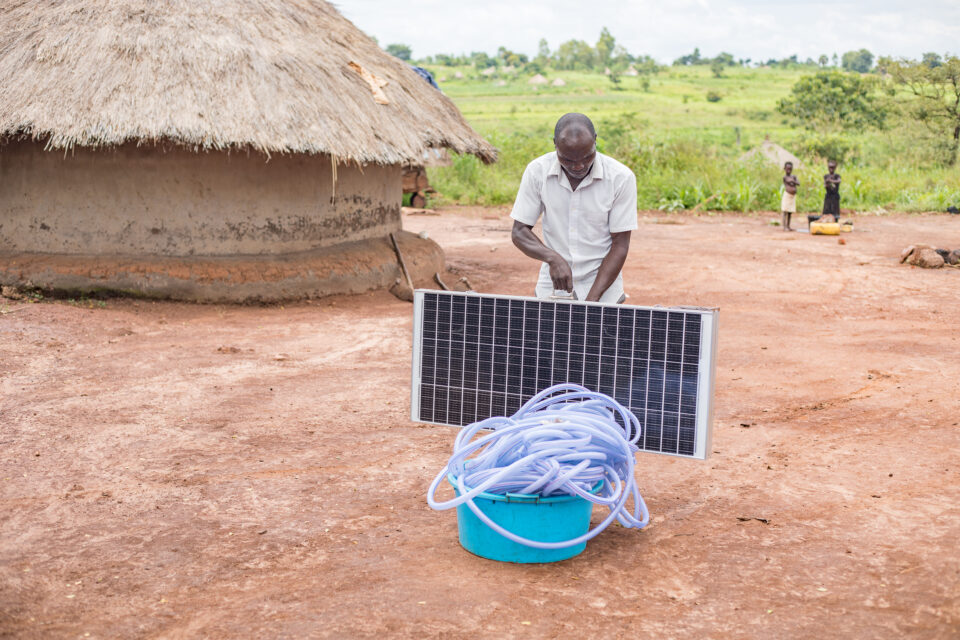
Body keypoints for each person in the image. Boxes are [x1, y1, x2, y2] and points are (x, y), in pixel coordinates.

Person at [510, 113, 637, 303]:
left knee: (600, 333)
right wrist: (553, 258)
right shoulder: (537, 172)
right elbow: (519, 232)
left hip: (603, 283)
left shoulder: (620, 178)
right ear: (555, 145)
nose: (578, 166)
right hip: (554, 283)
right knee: (551, 333)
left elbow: (620, 244)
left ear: (595, 141)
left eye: (587, 157)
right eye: (568, 159)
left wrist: (592, 301)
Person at [781, 161, 799, 231]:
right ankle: (785, 226)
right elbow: (789, 181)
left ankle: (788, 226)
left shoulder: (793, 176)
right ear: (784, 169)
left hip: (792, 196)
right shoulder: (785, 177)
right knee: (785, 211)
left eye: (790, 169)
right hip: (787, 195)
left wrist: (793, 181)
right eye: (787, 169)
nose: (789, 170)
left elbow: (798, 183)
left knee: (790, 212)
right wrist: (793, 181)